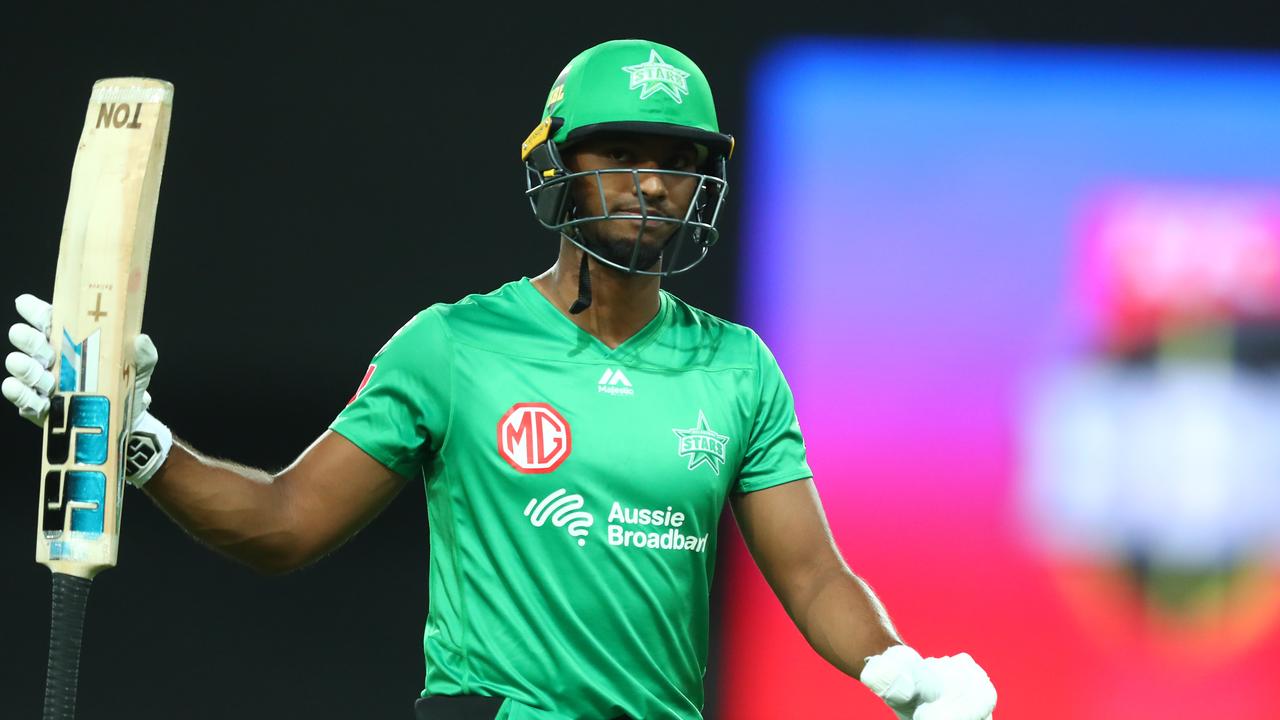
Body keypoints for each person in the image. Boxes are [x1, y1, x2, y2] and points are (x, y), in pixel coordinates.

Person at [6, 39, 997, 720]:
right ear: (555, 164)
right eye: (618, 152)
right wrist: (132, 442)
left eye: (677, 160)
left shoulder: (737, 367)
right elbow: (283, 523)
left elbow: (813, 574)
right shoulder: (453, 346)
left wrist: (893, 667)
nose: (650, 181)